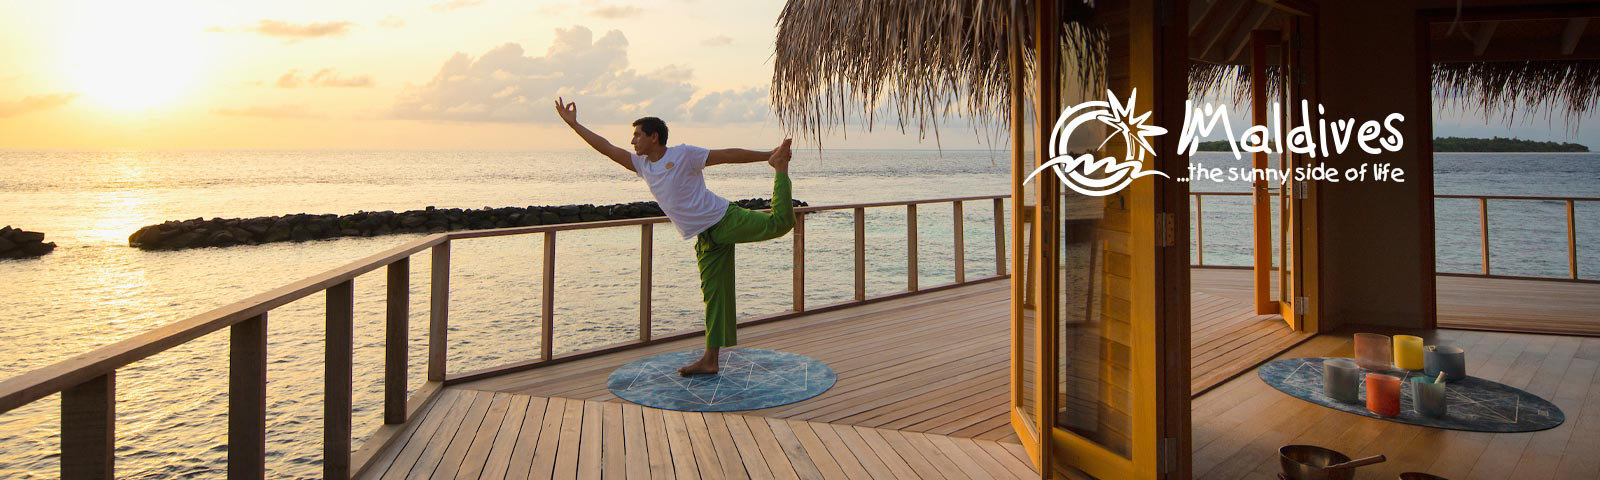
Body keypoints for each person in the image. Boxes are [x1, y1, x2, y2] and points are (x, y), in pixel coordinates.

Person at [553, 96, 795, 376]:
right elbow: (606, 147)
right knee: (715, 297)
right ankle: (710, 360)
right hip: (705, 237)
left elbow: (727, 155)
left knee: (779, 223)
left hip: (723, 218)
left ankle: (780, 168)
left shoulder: (683, 154)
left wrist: (768, 155)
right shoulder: (643, 166)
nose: (633, 141)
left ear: (654, 137)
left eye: (637, 135)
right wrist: (574, 125)